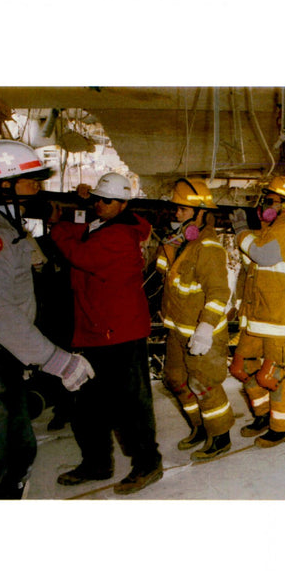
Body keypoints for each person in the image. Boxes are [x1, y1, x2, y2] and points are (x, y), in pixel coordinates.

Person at [0, 139, 94, 499]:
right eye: (30, 180)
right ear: (3, 185)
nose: (38, 187)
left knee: (19, 452)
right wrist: (56, 360)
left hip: (5, 359)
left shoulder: (9, 227)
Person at [51, 172, 163, 495]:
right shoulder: (105, 223)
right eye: (97, 199)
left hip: (120, 332)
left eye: (106, 200)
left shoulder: (119, 236)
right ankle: (97, 462)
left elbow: (79, 254)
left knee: (131, 404)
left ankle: (147, 463)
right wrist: (81, 208)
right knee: (87, 403)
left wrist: (59, 224)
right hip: (95, 330)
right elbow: (82, 230)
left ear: (124, 204)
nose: (99, 204)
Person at [157, 177, 235, 459]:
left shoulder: (209, 247)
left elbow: (219, 292)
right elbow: (162, 270)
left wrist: (204, 329)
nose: (176, 213)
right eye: (176, 209)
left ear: (202, 212)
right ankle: (200, 427)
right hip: (177, 328)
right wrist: (172, 242)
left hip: (203, 333)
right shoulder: (184, 242)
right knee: (176, 379)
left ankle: (220, 436)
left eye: (183, 209)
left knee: (204, 384)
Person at [228, 176, 285, 448]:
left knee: (273, 375)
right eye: (265, 200)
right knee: (241, 367)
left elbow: (264, 256)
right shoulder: (270, 229)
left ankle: (282, 426)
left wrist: (240, 230)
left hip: (279, 318)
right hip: (258, 315)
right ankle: (262, 414)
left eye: (270, 201)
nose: (264, 205)